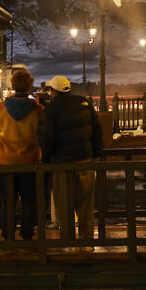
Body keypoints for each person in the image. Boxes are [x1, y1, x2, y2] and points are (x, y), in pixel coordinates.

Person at [38, 74, 102, 243]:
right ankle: (86, 241)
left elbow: (46, 139)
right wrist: (95, 154)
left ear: (53, 91)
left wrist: (47, 160)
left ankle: (68, 243)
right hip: (86, 162)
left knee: (64, 206)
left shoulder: (50, 110)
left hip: (62, 166)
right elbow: (97, 131)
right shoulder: (85, 103)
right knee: (86, 205)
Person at [0, 68, 43, 240]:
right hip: (29, 161)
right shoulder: (37, 110)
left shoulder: (0, 108)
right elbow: (40, 134)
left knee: (8, 199)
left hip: (6, 162)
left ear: (12, 86)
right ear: (29, 87)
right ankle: (27, 232)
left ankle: (7, 231)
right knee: (29, 199)